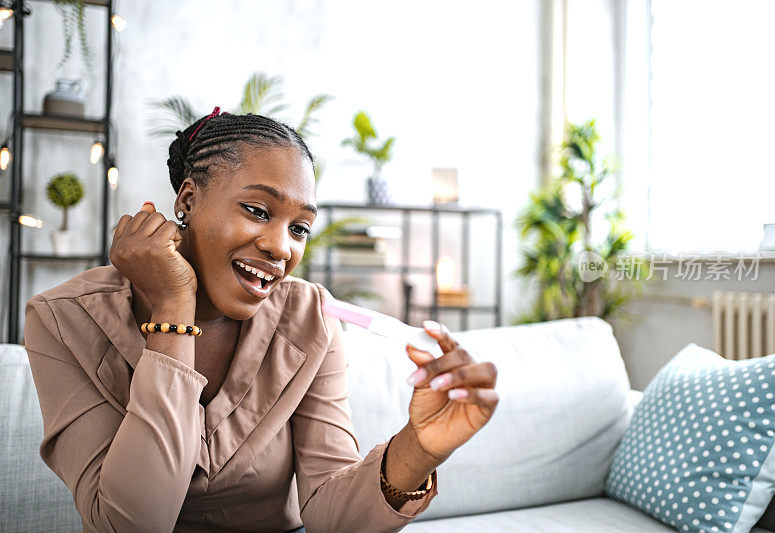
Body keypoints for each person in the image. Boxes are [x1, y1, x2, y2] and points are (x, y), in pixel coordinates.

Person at [23, 108, 499, 532]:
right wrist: (173, 306)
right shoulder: (62, 320)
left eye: (299, 228)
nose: (281, 247)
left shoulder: (311, 320)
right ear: (186, 200)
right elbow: (132, 525)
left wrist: (419, 449)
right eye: (257, 210)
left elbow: (329, 516)